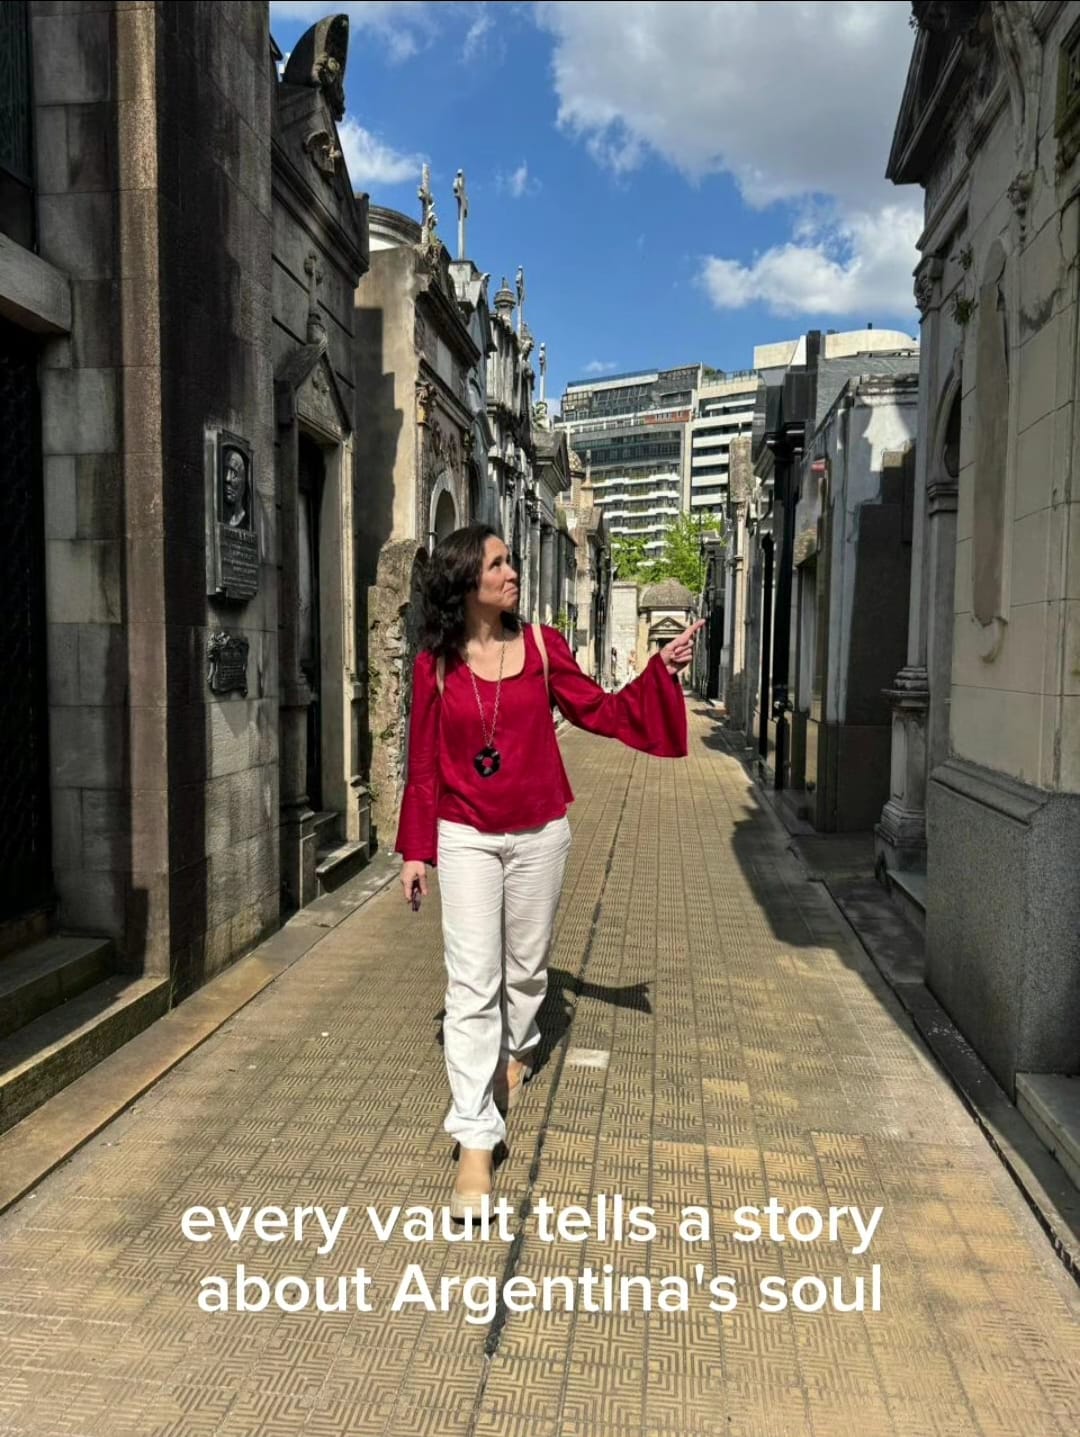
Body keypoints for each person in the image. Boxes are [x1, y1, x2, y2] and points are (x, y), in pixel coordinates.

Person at [394, 523, 703, 1219]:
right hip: (467, 835)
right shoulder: (433, 665)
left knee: (526, 967)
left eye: (511, 561)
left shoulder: (541, 648)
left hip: (539, 831)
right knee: (472, 980)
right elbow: (422, 767)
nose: (513, 573)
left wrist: (663, 674)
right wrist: (417, 850)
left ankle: (522, 1043)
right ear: (466, 580)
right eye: (499, 564)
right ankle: (476, 1139)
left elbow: (600, 709)